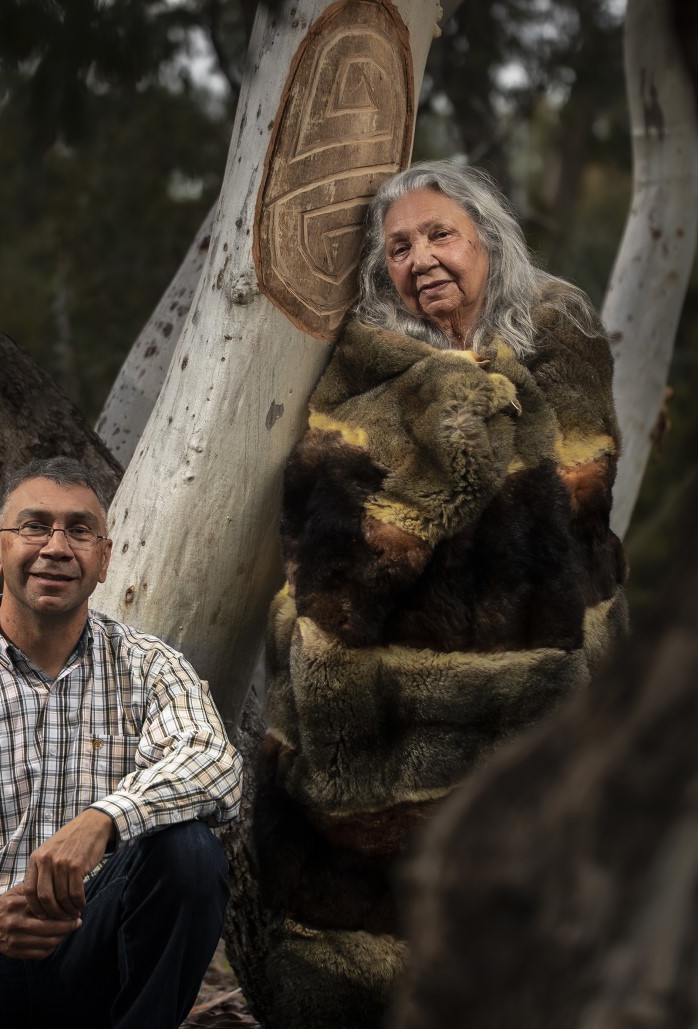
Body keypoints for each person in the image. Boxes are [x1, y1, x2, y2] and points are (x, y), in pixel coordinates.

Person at [251, 161, 630, 1026]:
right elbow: (328, 549)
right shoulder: (361, 372)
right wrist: (447, 437)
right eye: (398, 247)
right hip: (390, 703)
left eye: (439, 234)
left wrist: (483, 418)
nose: (419, 257)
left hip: (544, 673)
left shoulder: (557, 338)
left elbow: (575, 501)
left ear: (489, 244)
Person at [0, 456, 243, 1029]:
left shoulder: (150, 668)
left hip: (94, 954)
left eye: (80, 530)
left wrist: (104, 820)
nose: (57, 546)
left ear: (104, 559)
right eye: (34, 526)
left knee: (190, 853)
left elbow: (215, 766)